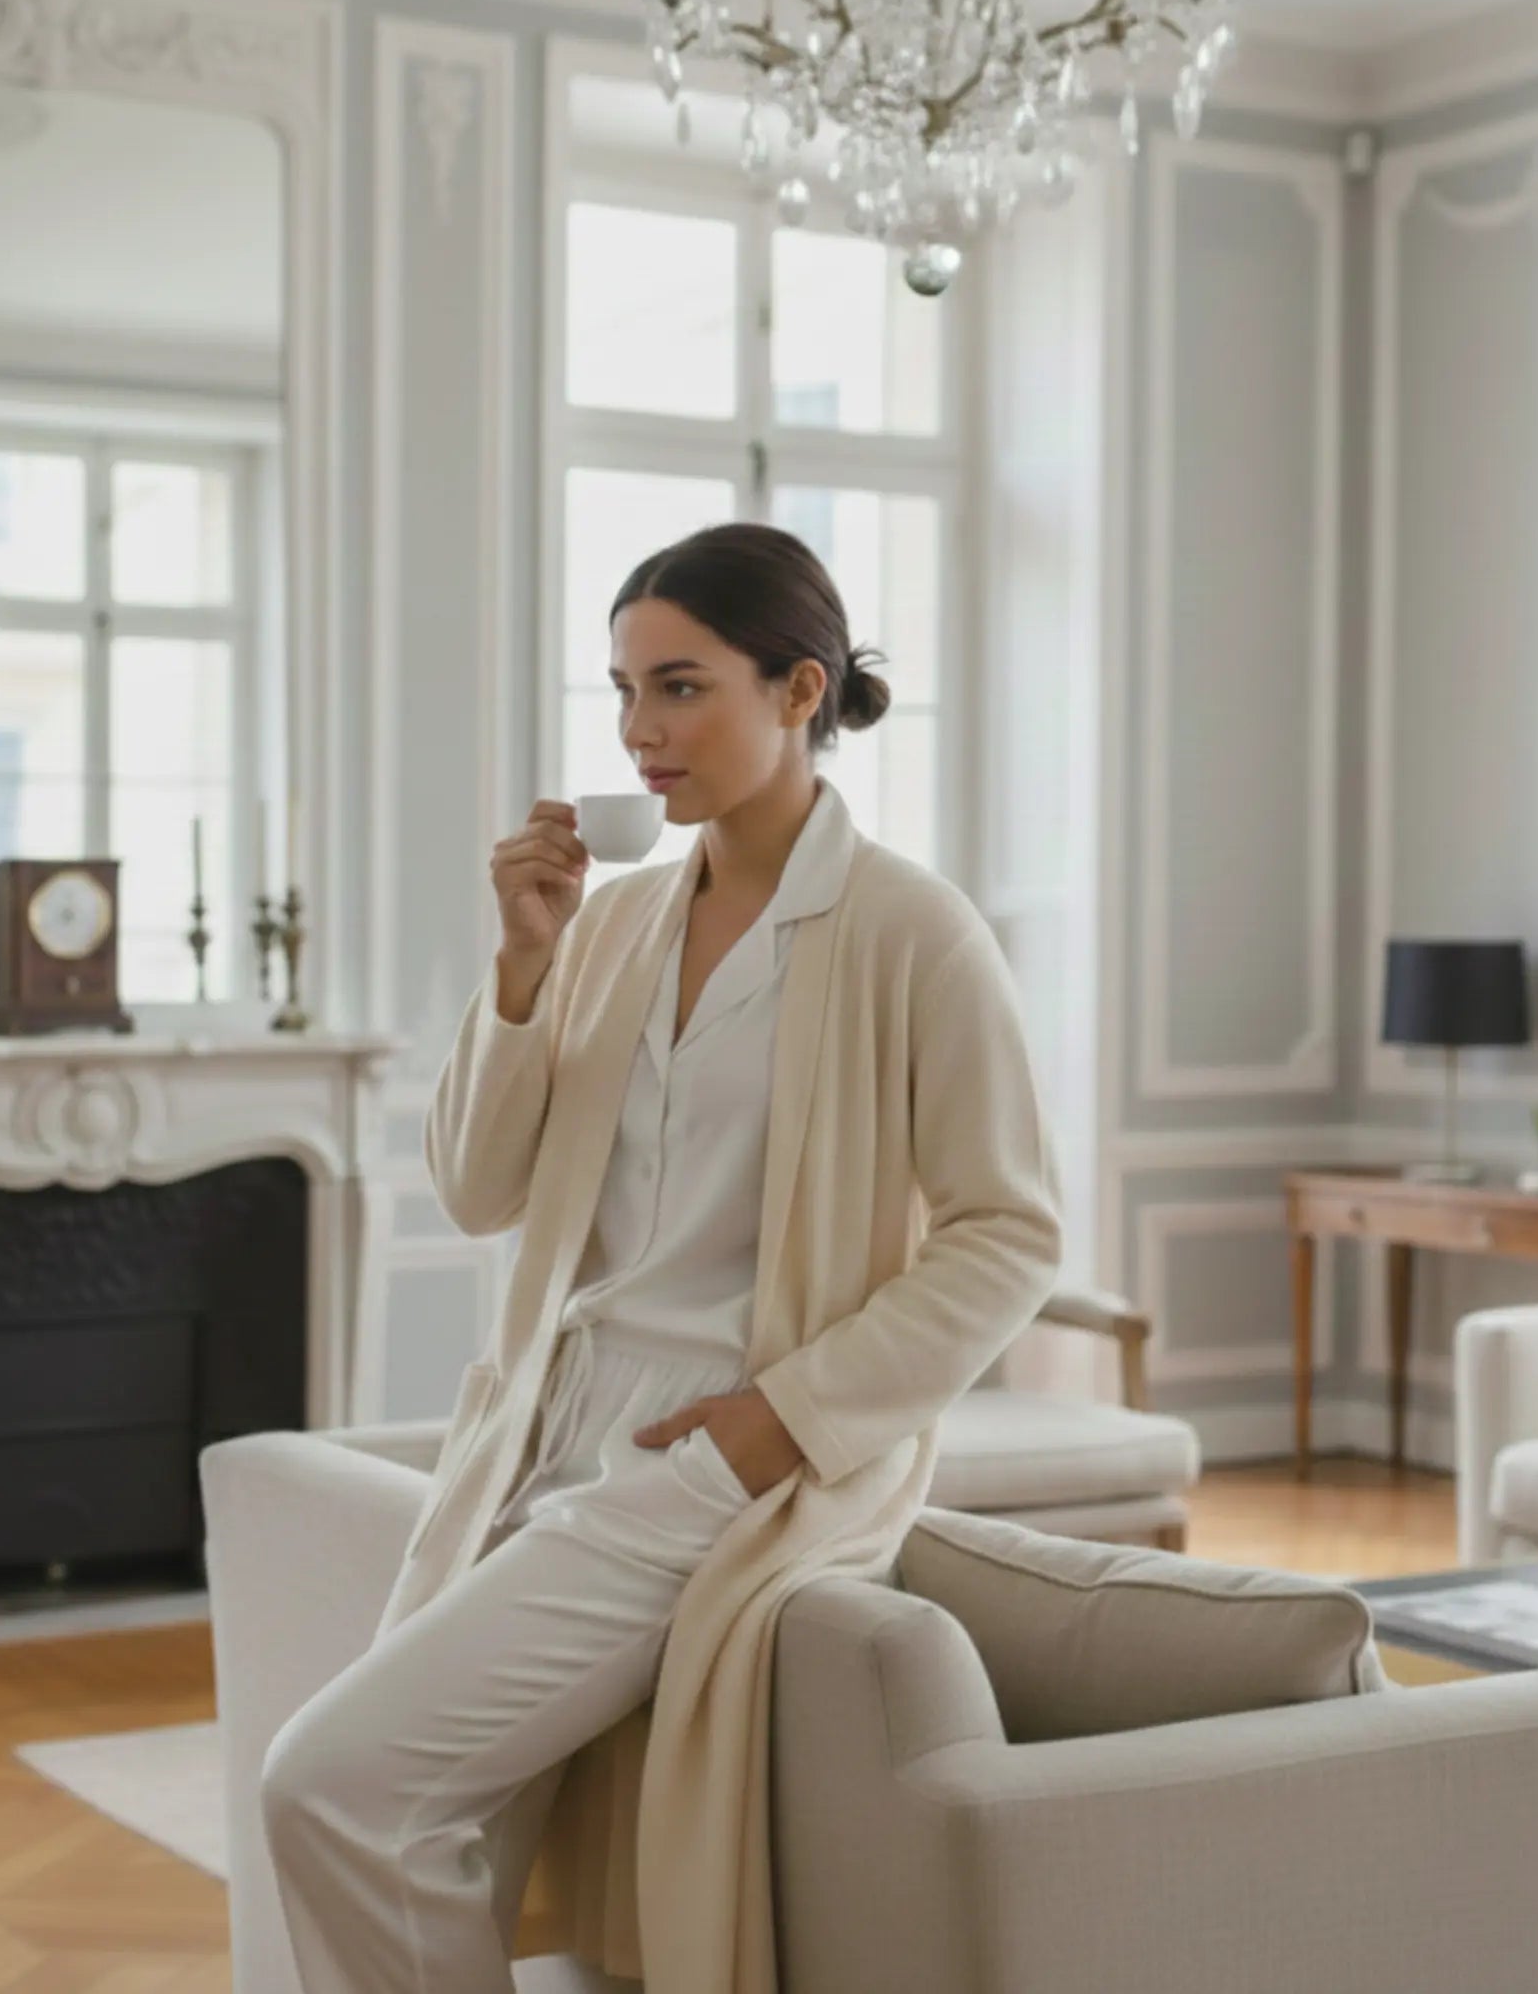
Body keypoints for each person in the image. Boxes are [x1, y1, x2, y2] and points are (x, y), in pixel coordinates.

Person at [259, 521, 1064, 1994]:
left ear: (800, 690)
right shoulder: (616, 921)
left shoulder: (913, 936)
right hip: (532, 1431)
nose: (638, 732)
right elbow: (478, 1184)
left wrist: (780, 1423)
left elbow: (1007, 1235)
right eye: (623, 690)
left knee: (331, 1786)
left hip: (703, 1459)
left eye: (681, 688)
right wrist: (519, 964)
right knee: (422, 1831)